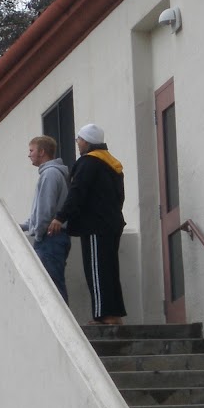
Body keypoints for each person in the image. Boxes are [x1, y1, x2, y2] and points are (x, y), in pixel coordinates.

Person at [48, 122, 127, 325]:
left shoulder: (87, 163)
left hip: (95, 226)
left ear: (86, 141)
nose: (78, 143)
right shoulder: (112, 164)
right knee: (110, 269)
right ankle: (115, 315)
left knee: (97, 270)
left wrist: (60, 217)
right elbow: (120, 197)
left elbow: (77, 194)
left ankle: (102, 316)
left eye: (79, 140)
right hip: (112, 223)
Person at [21, 134, 71, 300]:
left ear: (42, 152)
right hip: (53, 238)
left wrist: (39, 233)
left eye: (31, 150)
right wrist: (26, 226)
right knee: (52, 284)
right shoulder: (52, 174)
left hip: (50, 239)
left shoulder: (49, 175)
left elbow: (45, 210)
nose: (29, 155)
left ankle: (62, 326)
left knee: (53, 287)